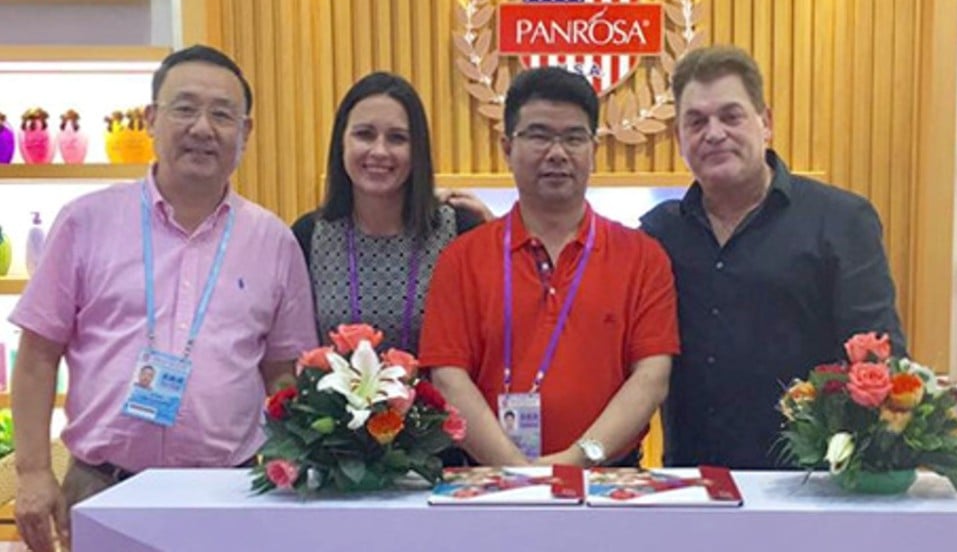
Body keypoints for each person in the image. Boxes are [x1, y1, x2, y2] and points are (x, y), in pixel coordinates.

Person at [9, 45, 317, 552]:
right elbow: (39, 355)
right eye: (185, 108)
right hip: (102, 486)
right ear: (152, 119)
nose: (203, 127)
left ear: (246, 133)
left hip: (231, 492)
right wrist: (35, 472)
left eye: (222, 114)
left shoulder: (273, 241)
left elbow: (281, 373)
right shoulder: (86, 221)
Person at [639, 45, 907, 469]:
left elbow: (879, 357)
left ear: (765, 123)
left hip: (810, 488)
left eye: (731, 116)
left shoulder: (840, 220)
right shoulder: (658, 233)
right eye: (696, 121)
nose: (713, 133)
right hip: (693, 487)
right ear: (680, 139)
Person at [419, 67, 679, 468]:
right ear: (507, 147)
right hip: (490, 479)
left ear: (593, 149)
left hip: (607, 481)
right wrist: (517, 472)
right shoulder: (462, 259)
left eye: (574, 138)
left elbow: (650, 379)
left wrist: (576, 460)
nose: (557, 153)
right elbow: (449, 379)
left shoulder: (643, 257)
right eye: (539, 135)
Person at [291, 71, 490, 353]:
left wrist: (495, 230)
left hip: (444, 395)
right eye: (364, 135)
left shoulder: (458, 228)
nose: (380, 151)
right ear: (341, 143)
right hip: (334, 397)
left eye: (397, 138)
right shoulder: (309, 236)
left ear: (417, 150)